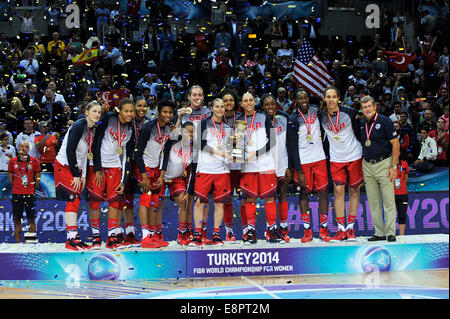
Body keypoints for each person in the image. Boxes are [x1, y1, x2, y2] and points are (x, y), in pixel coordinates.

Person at [88, 98, 135, 250]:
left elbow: (127, 156)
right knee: (95, 201)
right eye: (126, 111)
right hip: (98, 166)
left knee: (115, 202)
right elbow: (95, 143)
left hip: (115, 167)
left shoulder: (130, 129)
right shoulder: (108, 119)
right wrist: (97, 168)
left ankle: (112, 238)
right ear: (119, 111)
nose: (129, 114)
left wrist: (124, 180)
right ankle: (95, 238)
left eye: (131, 111)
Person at [54, 101, 102, 250]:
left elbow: (87, 155)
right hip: (65, 166)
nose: (97, 114)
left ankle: (73, 237)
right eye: (94, 111)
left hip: (77, 169)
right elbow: (70, 150)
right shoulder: (79, 125)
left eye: (99, 112)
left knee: (75, 200)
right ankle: (71, 239)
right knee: (72, 200)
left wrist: (83, 176)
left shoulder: (92, 129)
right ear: (86, 112)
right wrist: (76, 174)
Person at [319, 87, 363, 241]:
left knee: (354, 190)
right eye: (328, 97)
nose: (331, 100)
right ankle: (340, 229)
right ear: (324, 98)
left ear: (338, 98)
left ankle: (350, 228)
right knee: (338, 191)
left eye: (333, 97)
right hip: (336, 158)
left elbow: (360, 131)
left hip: (354, 155)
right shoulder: (321, 116)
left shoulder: (349, 113)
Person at [288, 89, 332, 243]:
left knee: (323, 193)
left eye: (305, 97)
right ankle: (307, 231)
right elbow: (291, 147)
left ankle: (324, 229)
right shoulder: (292, 119)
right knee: (303, 195)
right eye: (300, 98)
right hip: (303, 162)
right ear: (296, 101)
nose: (304, 100)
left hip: (319, 158)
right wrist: (298, 170)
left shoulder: (316, 111)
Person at [190, 98, 232, 246]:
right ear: (212, 109)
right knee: (199, 203)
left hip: (222, 170)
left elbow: (232, 151)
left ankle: (216, 235)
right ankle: (197, 236)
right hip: (205, 168)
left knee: (219, 204)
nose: (220, 109)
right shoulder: (203, 123)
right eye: (217, 106)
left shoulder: (228, 127)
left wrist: (236, 146)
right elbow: (201, 145)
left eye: (222, 107)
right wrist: (221, 154)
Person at [238, 92, 278, 244]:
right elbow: (235, 145)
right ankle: (251, 232)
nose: (248, 103)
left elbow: (272, 141)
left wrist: (256, 153)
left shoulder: (264, 117)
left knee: (269, 198)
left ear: (254, 102)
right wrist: (240, 156)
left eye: (250, 100)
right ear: (241, 104)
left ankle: (272, 230)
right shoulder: (239, 121)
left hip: (266, 163)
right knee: (250, 199)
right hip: (248, 166)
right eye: (245, 100)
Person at [360, 95, 400, 242]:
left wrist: (394, 166)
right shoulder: (362, 123)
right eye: (364, 107)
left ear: (375, 106)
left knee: (388, 200)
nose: (367, 109)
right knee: (373, 202)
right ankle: (379, 232)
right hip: (367, 165)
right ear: (362, 109)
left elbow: (395, 144)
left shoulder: (385, 121)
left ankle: (390, 233)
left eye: (369, 106)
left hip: (384, 164)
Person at [134, 100, 174, 248]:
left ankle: (153, 235)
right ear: (159, 112)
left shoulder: (169, 129)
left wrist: (162, 174)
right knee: (145, 200)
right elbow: (138, 153)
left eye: (170, 112)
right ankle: (145, 237)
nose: (167, 115)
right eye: (165, 112)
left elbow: (166, 152)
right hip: (144, 167)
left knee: (154, 202)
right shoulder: (148, 127)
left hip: (157, 169)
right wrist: (144, 175)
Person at [116, 97, 150, 247]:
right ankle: (117, 233)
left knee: (141, 197)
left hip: (141, 163)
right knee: (122, 199)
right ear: (133, 107)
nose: (142, 108)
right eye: (139, 106)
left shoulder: (149, 122)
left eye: (145, 106)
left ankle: (133, 234)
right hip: (125, 162)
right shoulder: (127, 121)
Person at [260, 93, 292, 243]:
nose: (271, 107)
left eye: (273, 104)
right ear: (262, 106)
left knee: (283, 194)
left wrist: (289, 166)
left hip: (283, 162)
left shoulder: (284, 117)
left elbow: (291, 144)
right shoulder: (259, 119)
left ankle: (284, 227)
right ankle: (270, 228)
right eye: (267, 104)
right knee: (270, 197)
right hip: (267, 164)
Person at [160, 121, 194, 245]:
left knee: (184, 202)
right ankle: (155, 233)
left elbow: (192, 172)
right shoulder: (173, 141)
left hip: (177, 179)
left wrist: (188, 191)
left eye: (192, 131)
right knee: (156, 204)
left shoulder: (194, 150)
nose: (189, 134)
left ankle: (182, 233)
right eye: (186, 131)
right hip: (161, 178)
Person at [220, 90, 244, 243]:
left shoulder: (242, 119)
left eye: (230, 100)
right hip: (224, 165)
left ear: (235, 102)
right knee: (227, 199)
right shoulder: (216, 120)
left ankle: (247, 230)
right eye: (225, 100)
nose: (228, 103)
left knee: (243, 199)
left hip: (241, 164)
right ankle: (229, 232)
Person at [8, 141, 41, 243]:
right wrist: (18, 187)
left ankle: (30, 244)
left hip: (30, 194)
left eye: (26, 147)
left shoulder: (35, 161)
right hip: (17, 194)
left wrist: (30, 188)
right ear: (18, 148)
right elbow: (10, 180)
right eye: (22, 146)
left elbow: (38, 178)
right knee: (17, 220)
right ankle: (18, 245)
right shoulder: (12, 161)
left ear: (29, 149)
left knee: (31, 219)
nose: (24, 148)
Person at [394, 159, 409, 236]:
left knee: (402, 214)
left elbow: (406, 177)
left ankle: (401, 236)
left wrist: (402, 186)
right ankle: (391, 234)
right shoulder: (387, 163)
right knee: (391, 215)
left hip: (403, 194)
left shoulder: (404, 163)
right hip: (391, 194)